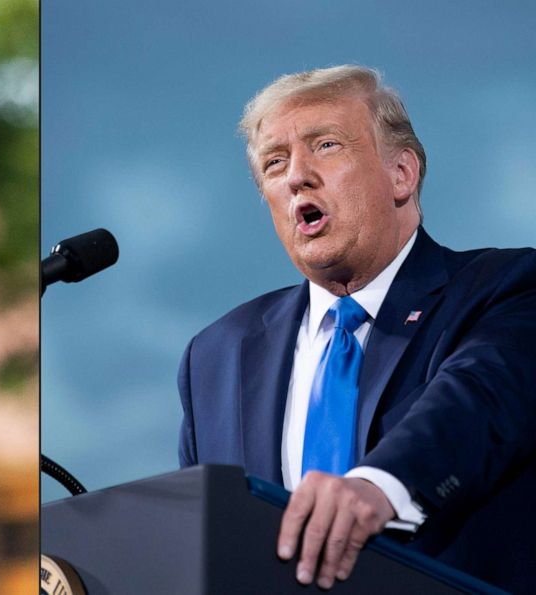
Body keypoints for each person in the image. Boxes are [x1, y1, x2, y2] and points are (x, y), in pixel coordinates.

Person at [178, 65, 536, 593]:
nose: (296, 174)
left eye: (325, 145)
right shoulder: (216, 354)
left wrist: (376, 488)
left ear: (401, 174)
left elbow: (474, 403)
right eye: (275, 163)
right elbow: (201, 531)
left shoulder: (504, 288)